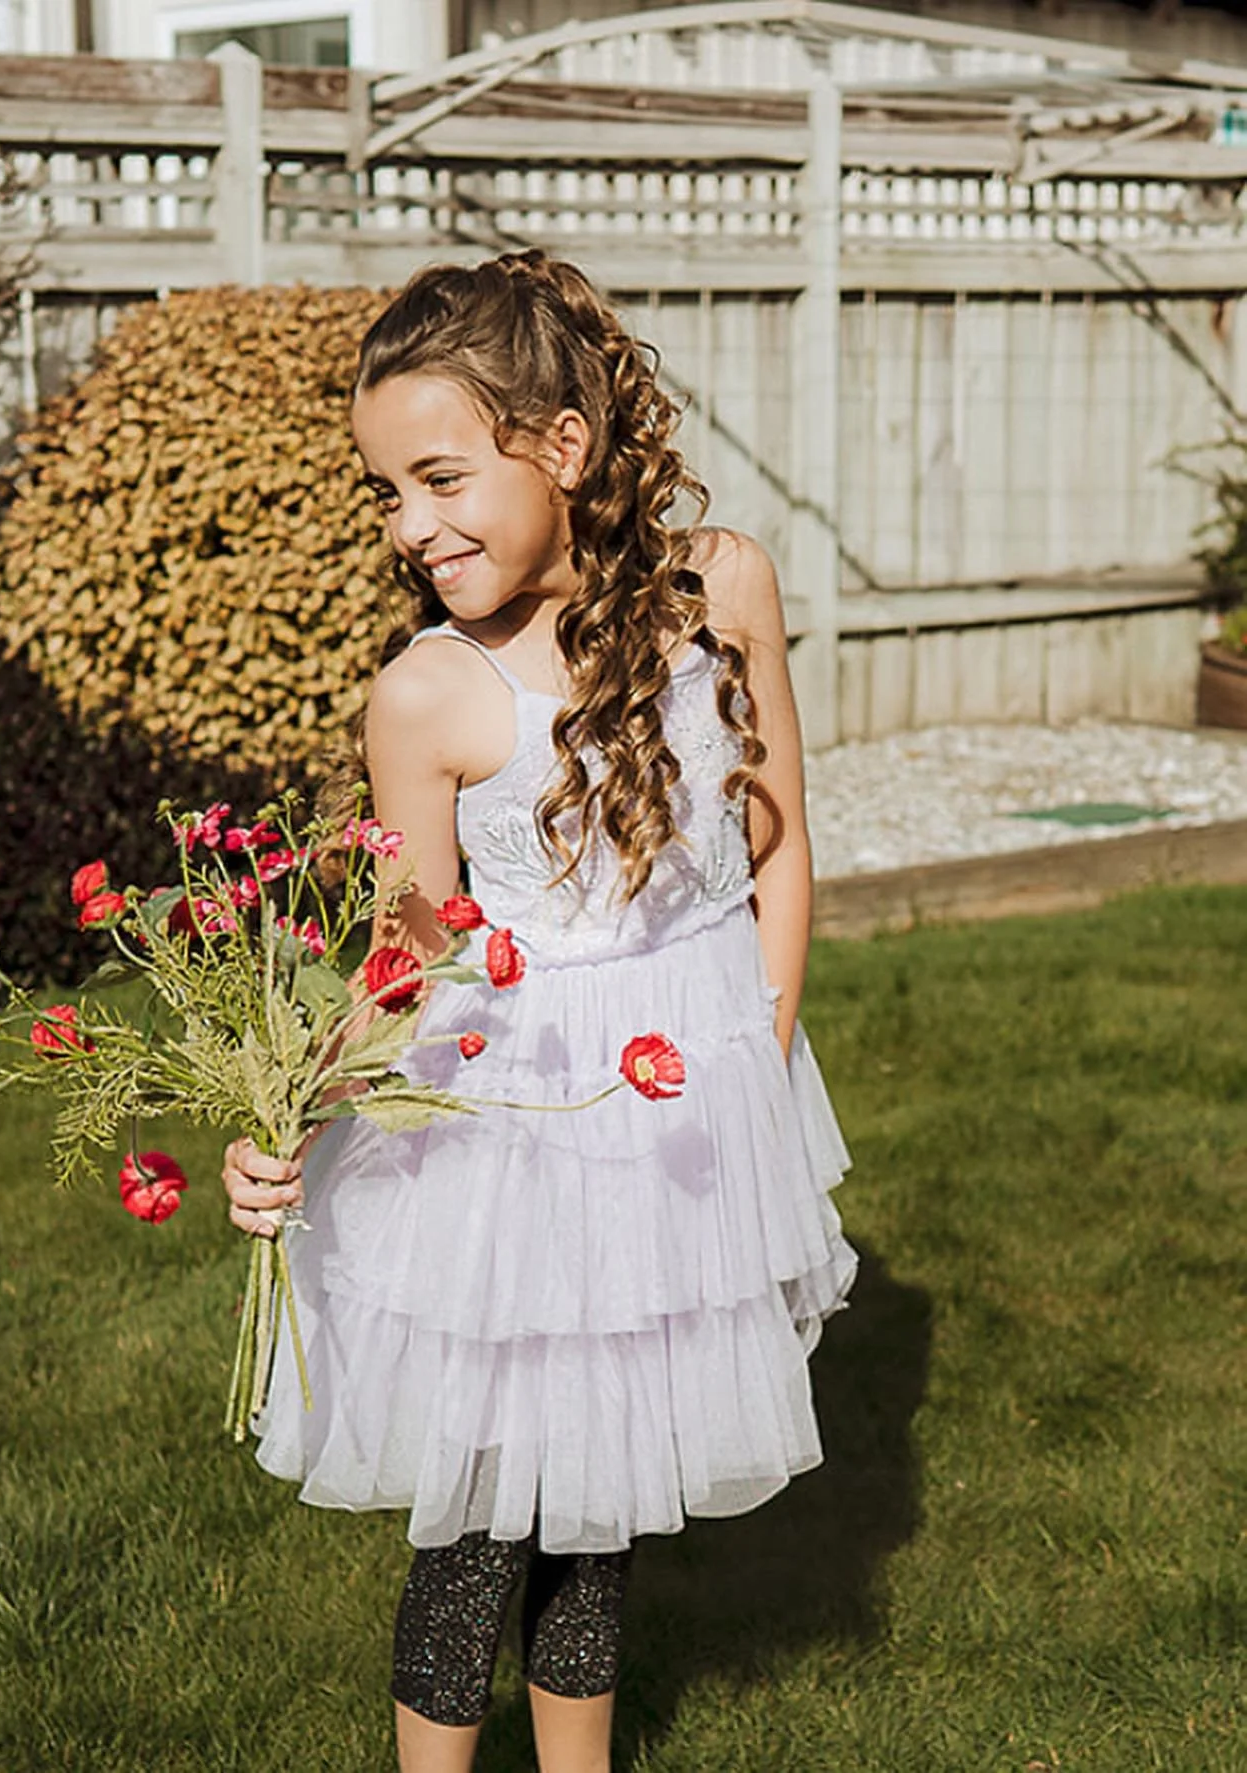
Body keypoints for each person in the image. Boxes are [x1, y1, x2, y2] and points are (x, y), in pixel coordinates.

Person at [222, 249, 856, 1773]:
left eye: (438, 477)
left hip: (684, 1113)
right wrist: (286, 1124)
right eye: (386, 491)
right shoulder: (429, 698)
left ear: (561, 448)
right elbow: (410, 955)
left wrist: (755, 1070)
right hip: (509, 1132)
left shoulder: (726, 591)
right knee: (482, 1520)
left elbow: (775, 854)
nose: (410, 525)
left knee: (606, 1503)